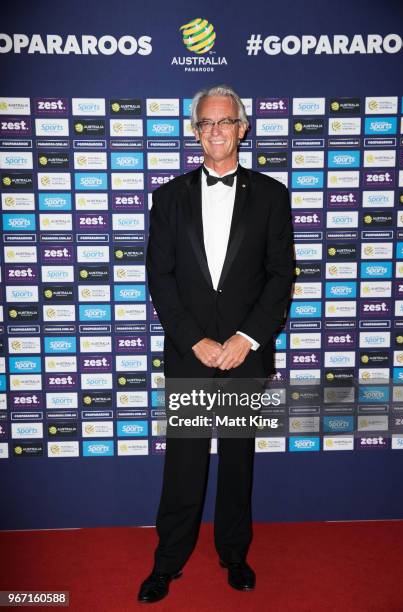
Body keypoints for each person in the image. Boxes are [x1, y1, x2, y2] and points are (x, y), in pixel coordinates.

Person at [138, 85, 294, 603]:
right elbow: (160, 278)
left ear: (243, 128)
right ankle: (168, 560)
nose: (215, 132)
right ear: (195, 131)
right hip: (191, 352)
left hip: (245, 352)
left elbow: (280, 277)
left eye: (225, 122)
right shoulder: (169, 197)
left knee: (237, 460)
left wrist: (245, 339)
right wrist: (196, 341)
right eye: (205, 123)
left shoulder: (272, 195)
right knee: (183, 462)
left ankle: (234, 553)